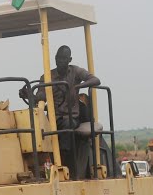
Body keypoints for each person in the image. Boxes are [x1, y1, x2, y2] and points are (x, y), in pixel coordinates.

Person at [19, 45, 101, 178]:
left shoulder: (75, 71)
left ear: (69, 59)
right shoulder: (47, 76)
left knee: (67, 126)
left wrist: (77, 86)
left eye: (63, 58)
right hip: (53, 118)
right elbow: (40, 97)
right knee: (36, 128)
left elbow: (95, 80)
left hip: (71, 117)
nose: (60, 61)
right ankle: (39, 165)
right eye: (58, 58)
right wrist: (29, 95)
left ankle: (66, 163)